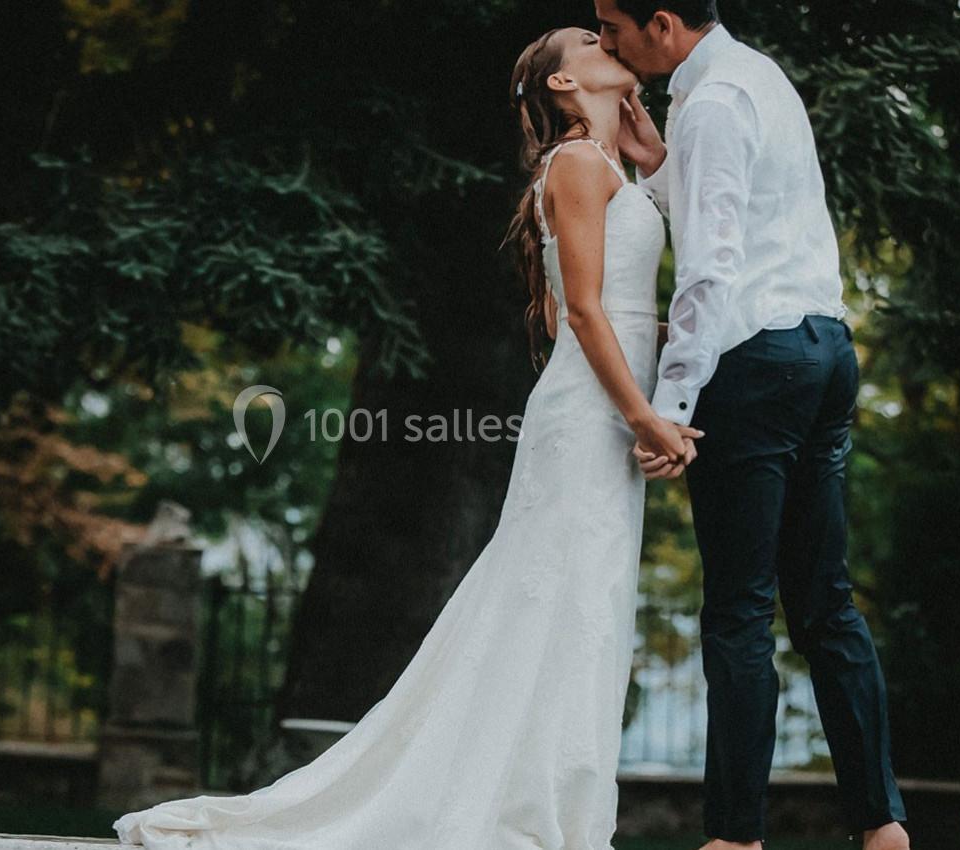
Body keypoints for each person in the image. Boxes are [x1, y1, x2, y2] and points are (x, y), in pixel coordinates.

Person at [111, 26, 698, 850]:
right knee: (563, 598)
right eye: (590, 41)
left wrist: (657, 158)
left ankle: (547, 807)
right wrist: (645, 415)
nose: (610, 42)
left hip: (611, 405)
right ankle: (529, 815)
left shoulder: (613, 165)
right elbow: (588, 313)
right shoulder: (572, 165)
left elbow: (641, 298)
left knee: (585, 604)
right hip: (592, 412)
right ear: (564, 83)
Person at [593, 1, 912, 847]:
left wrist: (672, 406)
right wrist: (659, 165)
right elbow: (746, 214)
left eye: (610, 24)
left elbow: (710, 268)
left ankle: (735, 836)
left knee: (738, 611)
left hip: (756, 364)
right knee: (826, 606)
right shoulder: (756, 77)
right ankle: (883, 828)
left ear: (660, 23)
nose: (604, 43)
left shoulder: (711, 103)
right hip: (825, 352)